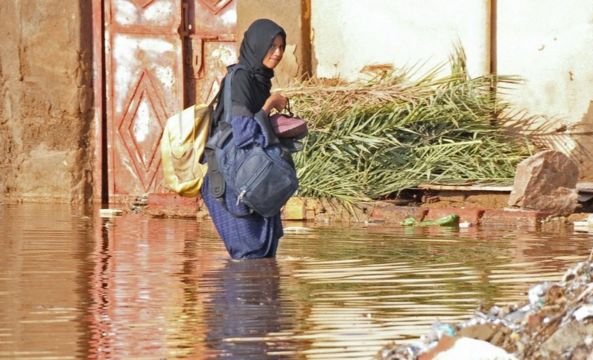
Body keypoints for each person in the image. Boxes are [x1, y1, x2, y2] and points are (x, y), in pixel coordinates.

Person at [201, 19, 290, 260]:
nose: (278, 53)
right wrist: (269, 106)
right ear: (257, 46)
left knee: (264, 260)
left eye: (281, 47)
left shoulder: (260, 80)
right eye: (271, 46)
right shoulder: (241, 79)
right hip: (232, 182)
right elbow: (243, 132)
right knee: (249, 260)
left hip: (253, 179)